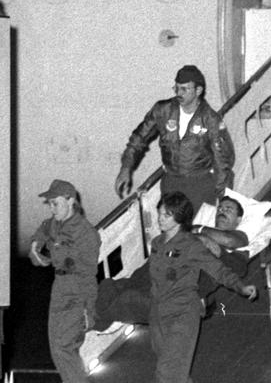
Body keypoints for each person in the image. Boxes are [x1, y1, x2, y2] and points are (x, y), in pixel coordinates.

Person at [93, 196, 250, 330]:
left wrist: (205, 238)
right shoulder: (197, 231)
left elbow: (232, 246)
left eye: (229, 209)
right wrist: (199, 234)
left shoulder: (239, 242)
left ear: (239, 219)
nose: (222, 211)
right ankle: (92, 320)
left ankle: (93, 320)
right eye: (220, 209)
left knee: (130, 298)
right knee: (109, 286)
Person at [148, 192, 257, 383]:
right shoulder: (157, 243)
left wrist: (240, 287)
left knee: (167, 373)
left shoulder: (192, 245)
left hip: (182, 312)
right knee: (175, 369)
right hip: (158, 313)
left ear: (179, 218)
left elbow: (218, 270)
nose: (160, 219)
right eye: (160, 213)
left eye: (166, 215)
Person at [115, 65, 235, 208]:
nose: (179, 93)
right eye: (176, 88)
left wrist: (224, 199)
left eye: (185, 89)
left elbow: (222, 162)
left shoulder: (211, 120)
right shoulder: (163, 110)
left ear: (198, 90)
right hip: (170, 182)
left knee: (195, 228)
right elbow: (138, 138)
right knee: (169, 225)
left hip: (200, 184)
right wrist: (126, 167)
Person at [29, 179, 101, 383]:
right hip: (58, 289)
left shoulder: (86, 234)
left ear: (70, 201)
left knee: (64, 348)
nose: (51, 209)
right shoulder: (55, 224)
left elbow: (89, 275)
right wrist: (35, 245)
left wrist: (89, 309)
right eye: (50, 204)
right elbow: (44, 229)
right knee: (56, 348)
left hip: (76, 291)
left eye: (55, 203)